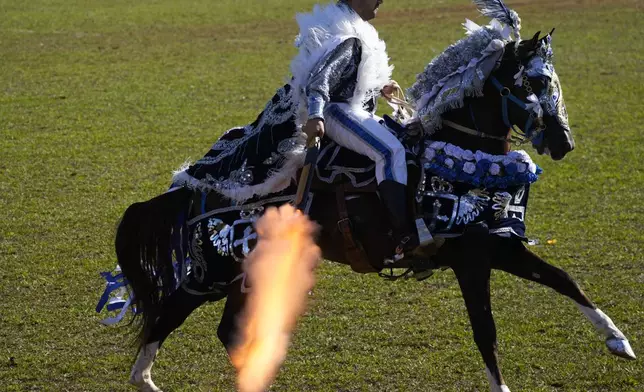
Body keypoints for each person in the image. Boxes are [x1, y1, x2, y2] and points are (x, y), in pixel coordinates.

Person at [291, 0, 418, 262]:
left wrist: (379, 87)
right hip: (335, 111)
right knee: (390, 152)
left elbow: (351, 78)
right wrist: (315, 115)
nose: (381, 0)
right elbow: (319, 81)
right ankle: (402, 233)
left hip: (353, 109)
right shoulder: (348, 37)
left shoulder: (355, 28)